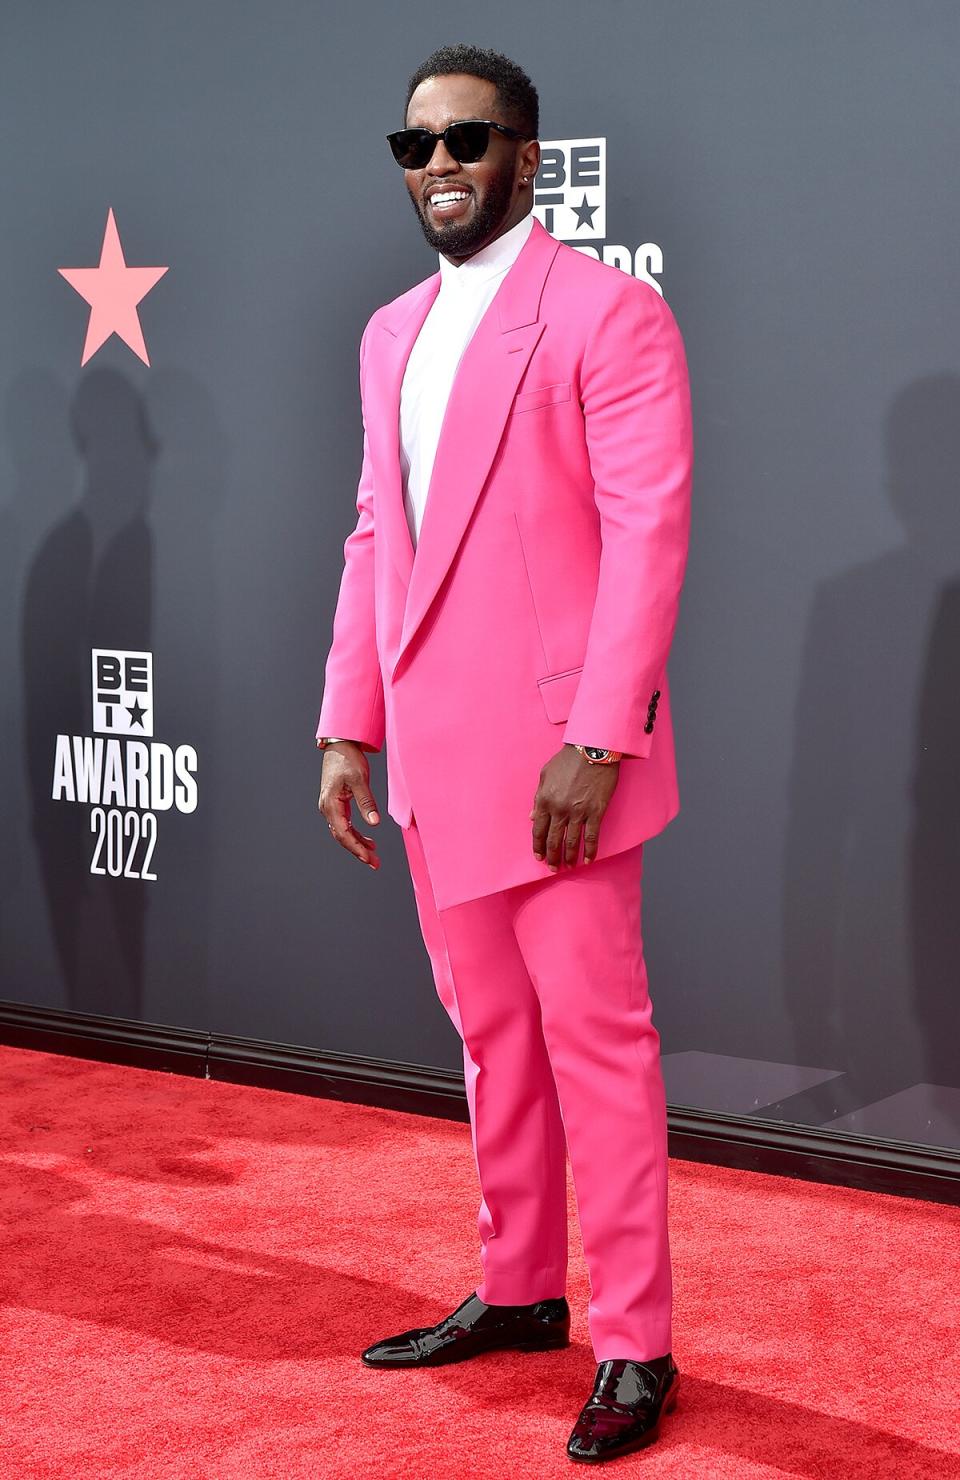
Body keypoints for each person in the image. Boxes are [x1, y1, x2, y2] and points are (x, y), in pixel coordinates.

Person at [315, 42, 693, 1464]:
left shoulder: (610, 314)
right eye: (416, 147)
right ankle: (523, 1289)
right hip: (429, 756)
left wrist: (598, 737)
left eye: (468, 141)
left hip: (558, 767)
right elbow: (374, 535)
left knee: (599, 1053)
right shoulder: (386, 332)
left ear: (528, 158)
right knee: (490, 1047)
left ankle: (637, 1345)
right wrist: (349, 716)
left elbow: (649, 537)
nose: (441, 167)